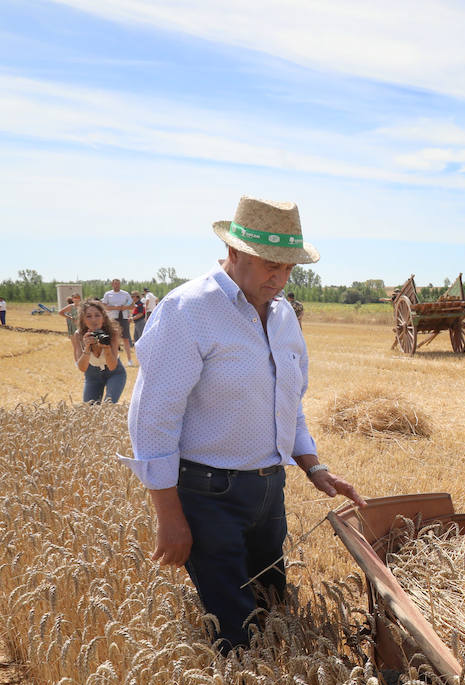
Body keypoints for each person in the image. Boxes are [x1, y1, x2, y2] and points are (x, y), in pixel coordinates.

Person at [121, 195, 364, 654]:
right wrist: (169, 516)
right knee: (236, 631)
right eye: (270, 264)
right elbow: (153, 417)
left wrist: (314, 468)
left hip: (269, 491)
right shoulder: (187, 310)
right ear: (233, 254)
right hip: (208, 495)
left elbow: (287, 404)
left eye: (289, 268)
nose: (281, 277)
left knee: (272, 610)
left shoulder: (285, 316)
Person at [72, 300, 126, 404]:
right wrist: (87, 347)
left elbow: (112, 366)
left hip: (115, 373)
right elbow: (82, 368)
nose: (94, 320)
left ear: (103, 318)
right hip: (92, 375)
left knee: (108, 406)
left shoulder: (112, 333)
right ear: (83, 320)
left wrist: (106, 348)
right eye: (88, 316)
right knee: (90, 409)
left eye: (97, 315)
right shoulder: (78, 335)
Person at [101, 278, 137, 365]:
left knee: (125, 339)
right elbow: (104, 307)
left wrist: (125, 307)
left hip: (123, 318)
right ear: (112, 284)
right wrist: (115, 308)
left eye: (118, 283)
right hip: (112, 319)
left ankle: (129, 360)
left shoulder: (125, 294)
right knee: (112, 339)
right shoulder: (108, 294)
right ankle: (112, 359)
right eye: (115, 284)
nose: (117, 285)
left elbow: (132, 305)